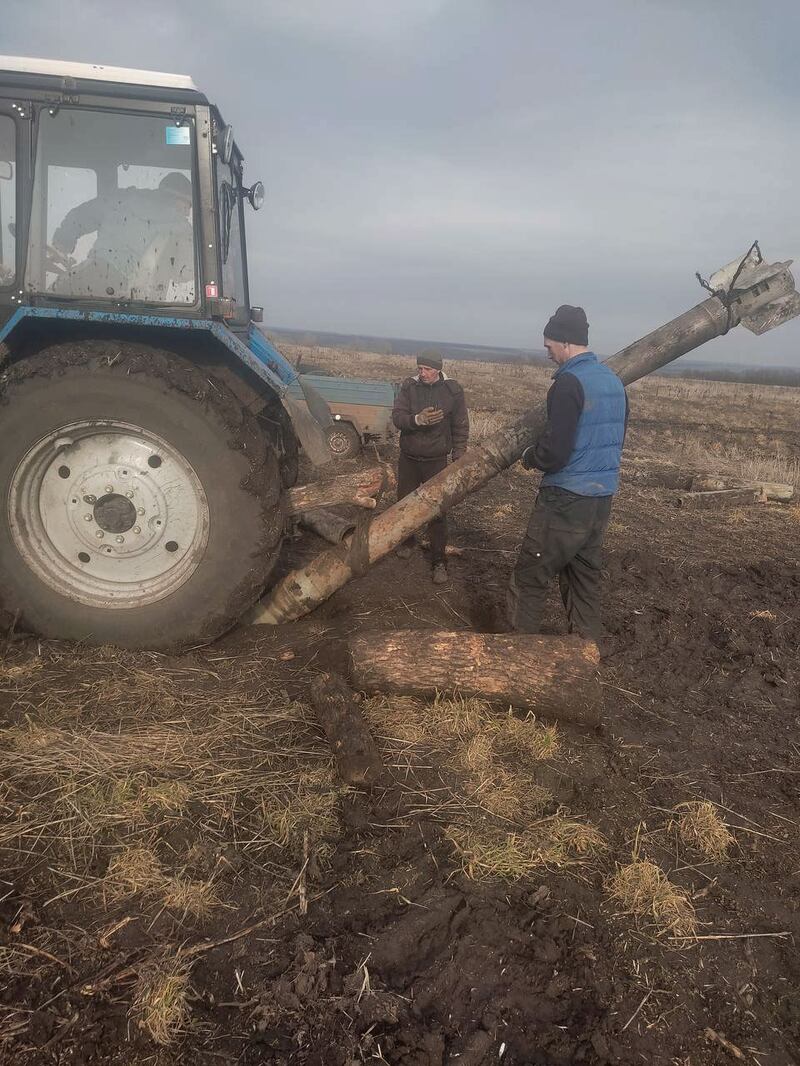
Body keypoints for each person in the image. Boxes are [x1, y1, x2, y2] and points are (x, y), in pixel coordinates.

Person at [508, 305, 628, 641]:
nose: (548, 354)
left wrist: (531, 456)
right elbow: (616, 438)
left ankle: (516, 660)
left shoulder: (567, 383)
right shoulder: (614, 382)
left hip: (565, 499)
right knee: (583, 577)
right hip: (601, 498)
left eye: (549, 347)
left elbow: (556, 453)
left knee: (530, 576)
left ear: (565, 342)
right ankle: (586, 654)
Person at [51, 171, 194, 300]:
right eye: (188, 205)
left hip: (91, 275)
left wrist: (64, 240)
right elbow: (184, 273)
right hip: (133, 298)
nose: (188, 212)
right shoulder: (182, 228)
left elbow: (83, 215)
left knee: (49, 299)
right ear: (178, 199)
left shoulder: (123, 199)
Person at [391, 350, 469, 585]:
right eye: (420, 368)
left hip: (436, 460)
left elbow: (460, 424)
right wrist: (417, 420)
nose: (422, 373)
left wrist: (459, 454)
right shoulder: (409, 387)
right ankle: (406, 542)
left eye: (427, 369)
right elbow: (397, 418)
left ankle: (438, 561)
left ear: (438, 369)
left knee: (437, 511)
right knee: (404, 503)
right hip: (409, 458)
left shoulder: (452, 390)